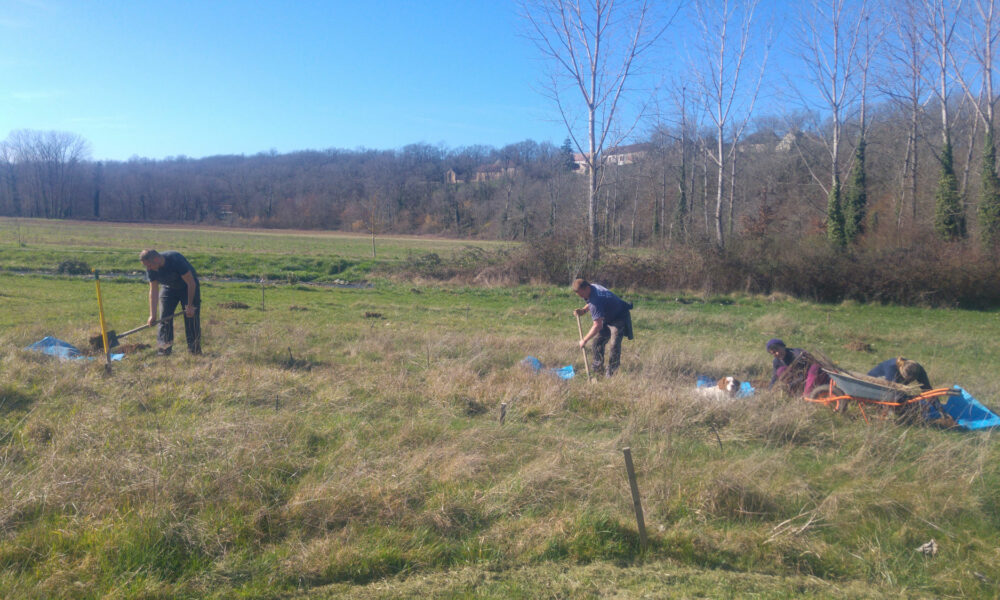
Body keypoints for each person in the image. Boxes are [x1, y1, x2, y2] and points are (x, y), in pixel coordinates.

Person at [140, 249, 201, 355]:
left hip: (187, 287)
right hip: (169, 288)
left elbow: (191, 283)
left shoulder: (175, 259)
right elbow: (153, 291)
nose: (148, 268)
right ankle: (164, 350)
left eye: (149, 265)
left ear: (156, 259)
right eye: (146, 266)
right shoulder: (151, 269)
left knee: (191, 317)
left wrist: (190, 305)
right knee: (164, 318)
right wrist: (152, 315)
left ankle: (194, 350)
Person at [572, 278, 633, 377]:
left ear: (587, 288)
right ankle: (598, 369)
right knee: (597, 342)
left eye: (582, 294)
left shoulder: (596, 299)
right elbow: (591, 303)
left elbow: (597, 325)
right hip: (607, 316)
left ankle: (611, 373)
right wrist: (583, 310)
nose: (581, 297)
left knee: (614, 345)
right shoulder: (593, 287)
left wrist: (584, 340)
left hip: (619, 317)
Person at [868, 357, 932, 390]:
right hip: (872, 387)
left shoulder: (918, 369)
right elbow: (892, 394)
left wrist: (940, 409)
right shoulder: (891, 368)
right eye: (907, 380)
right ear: (901, 370)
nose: (909, 382)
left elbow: (927, 389)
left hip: (894, 389)